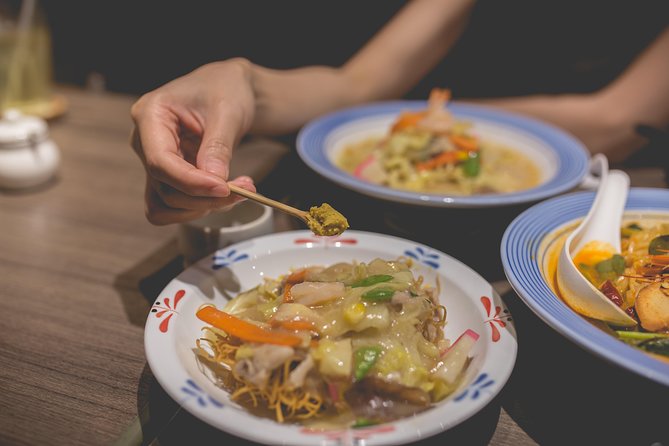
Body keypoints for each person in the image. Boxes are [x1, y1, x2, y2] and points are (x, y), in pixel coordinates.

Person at [130, 0, 669, 225]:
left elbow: (613, 119)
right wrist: (245, 82)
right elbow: (358, 85)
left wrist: (419, 122)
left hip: (591, 209)